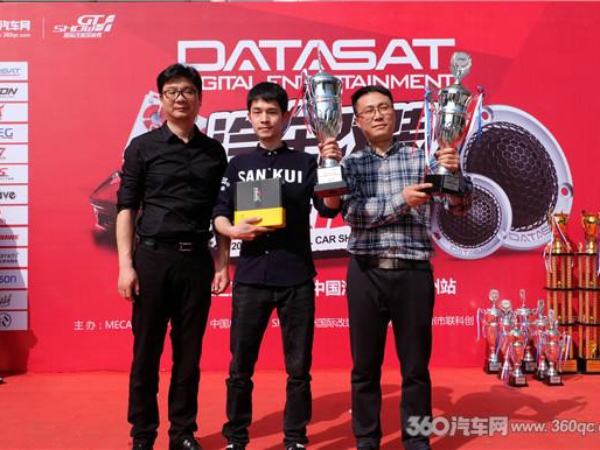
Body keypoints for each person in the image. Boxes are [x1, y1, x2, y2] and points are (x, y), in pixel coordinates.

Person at [322, 85, 472, 450]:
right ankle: (367, 439)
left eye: (384, 107)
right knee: (364, 367)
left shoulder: (423, 158)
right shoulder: (350, 165)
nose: (378, 115)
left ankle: (417, 439)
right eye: (369, 111)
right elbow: (354, 215)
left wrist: (455, 175)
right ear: (357, 121)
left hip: (413, 271)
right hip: (366, 272)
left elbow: (458, 207)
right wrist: (402, 200)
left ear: (395, 113)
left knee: (416, 368)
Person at [212, 82, 341, 450]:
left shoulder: (306, 163)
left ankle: (295, 438)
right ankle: (236, 437)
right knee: (240, 366)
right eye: (258, 112)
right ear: (249, 116)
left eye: (272, 112)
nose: (265, 119)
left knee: (298, 369)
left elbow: (329, 208)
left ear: (285, 117)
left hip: (296, 276)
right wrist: (232, 231)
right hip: (251, 277)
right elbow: (219, 214)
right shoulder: (238, 165)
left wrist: (332, 166)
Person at [116, 63, 230, 450]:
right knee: (146, 352)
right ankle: (142, 434)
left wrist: (223, 261)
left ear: (199, 98)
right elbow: (127, 208)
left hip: (196, 260)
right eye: (172, 92)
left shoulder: (214, 152)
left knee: (189, 354)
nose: (180, 98)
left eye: (188, 91)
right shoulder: (142, 147)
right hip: (152, 259)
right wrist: (126, 265)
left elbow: (221, 211)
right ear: (162, 100)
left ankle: (182, 432)